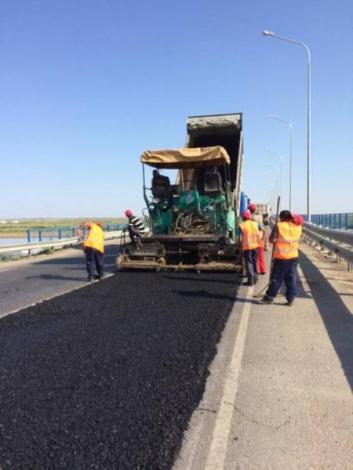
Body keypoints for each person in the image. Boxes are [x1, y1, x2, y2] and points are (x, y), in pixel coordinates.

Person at [259, 210, 302, 306]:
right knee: (290, 278)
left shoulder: (279, 226)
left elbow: (271, 239)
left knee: (276, 278)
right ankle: (290, 298)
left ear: (282, 218)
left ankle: (269, 297)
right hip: (293, 256)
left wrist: (275, 239)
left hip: (281, 257)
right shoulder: (298, 227)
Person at [239, 210, 261, 286]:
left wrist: (240, 247)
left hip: (248, 246)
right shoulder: (255, 224)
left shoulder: (242, 225)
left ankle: (250, 280)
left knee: (249, 263)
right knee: (255, 262)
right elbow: (260, 231)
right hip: (256, 245)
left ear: (243, 218)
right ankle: (256, 277)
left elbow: (241, 238)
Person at [248, 203, 267, 274]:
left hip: (252, 239)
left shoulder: (249, 218)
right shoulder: (259, 217)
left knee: (253, 257)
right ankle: (263, 270)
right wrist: (263, 240)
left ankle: (255, 270)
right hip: (260, 237)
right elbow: (263, 230)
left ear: (249, 210)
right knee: (261, 255)